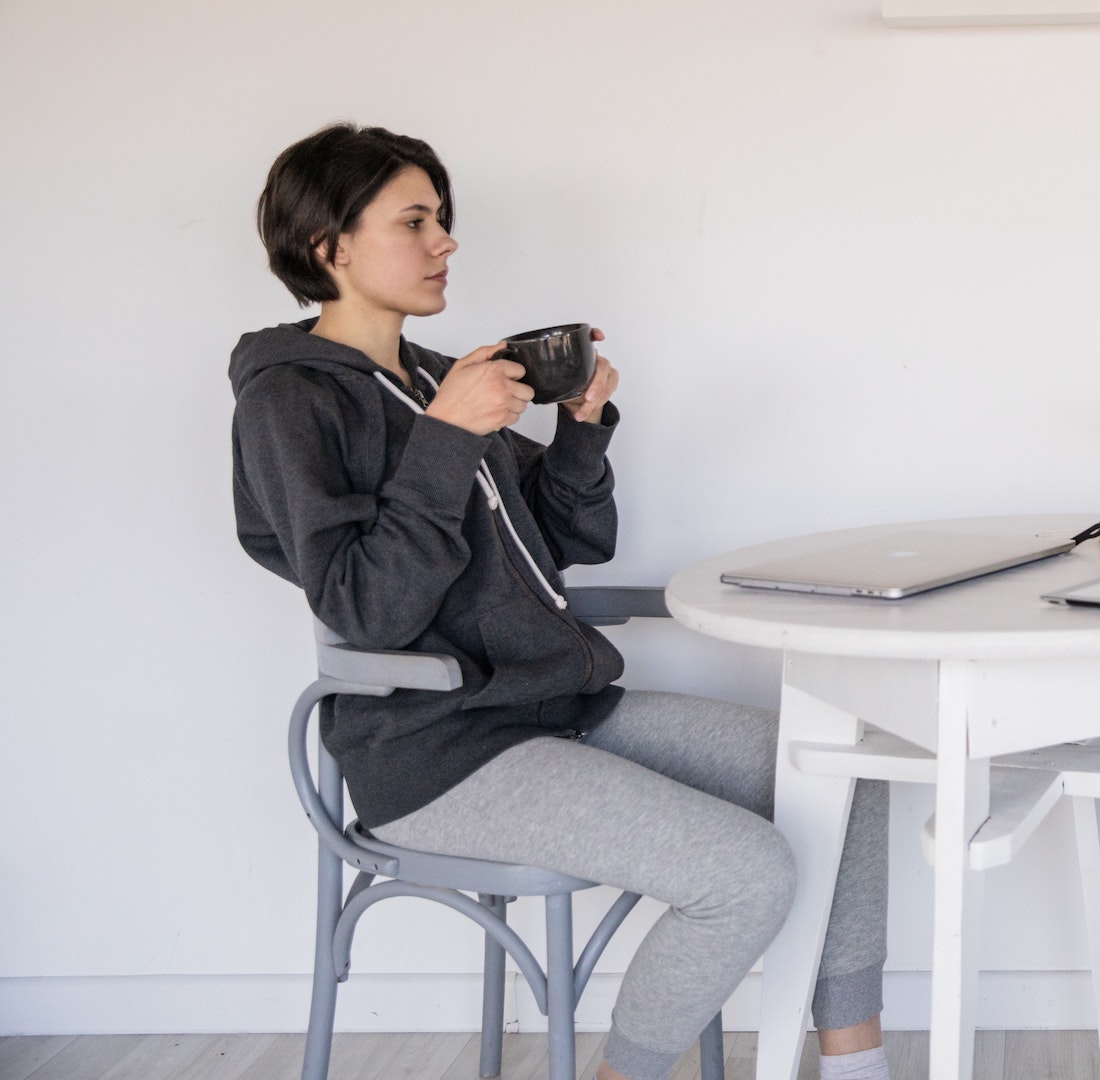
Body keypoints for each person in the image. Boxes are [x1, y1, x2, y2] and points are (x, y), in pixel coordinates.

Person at [231, 124, 893, 1080]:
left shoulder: (433, 377)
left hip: (557, 708)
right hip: (438, 751)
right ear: (331, 247)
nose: (444, 241)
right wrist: (448, 437)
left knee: (849, 778)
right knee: (746, 872)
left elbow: (568, 540)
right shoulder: (289, 401)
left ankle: (853, 1064)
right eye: (413, 221)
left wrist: (579, 430)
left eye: (444, 220)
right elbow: (364, 606)